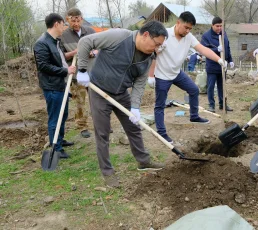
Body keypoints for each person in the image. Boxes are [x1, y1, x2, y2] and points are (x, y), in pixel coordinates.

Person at [76, 21, 168, 188]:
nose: (156, 49)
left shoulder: (148, 58)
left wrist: (135, 107)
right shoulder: (118, 37)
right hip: (99, 90)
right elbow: (85, 42)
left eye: (159, 46)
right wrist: (82, 69)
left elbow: (140, 84)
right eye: (156, 44)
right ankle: (108, 172)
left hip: (121, 94)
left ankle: (143, 161)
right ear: (146, 34)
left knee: (134, 128)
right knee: (102, 133)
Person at [147, 12, 227, 144]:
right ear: (178, 22)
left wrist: (219, 59)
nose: (188, 31)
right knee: (160, 105)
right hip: (162, 75)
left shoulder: (188, 37)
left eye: (190, 28)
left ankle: (194, 116)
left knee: (194, 90)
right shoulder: (164, 35)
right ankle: (161, 133)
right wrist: (151, 75)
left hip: (177, 73)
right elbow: (152, 55)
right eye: (186, 27)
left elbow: (203, 49)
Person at [34, 13, 76, 159]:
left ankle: (60, 140)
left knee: (62, 115)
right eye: (63, 24)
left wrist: (71, 55)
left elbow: (58, 58)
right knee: (55, 118)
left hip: (61, 85)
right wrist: (66, 70)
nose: (65, 27)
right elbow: (43, 66)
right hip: (52, 87)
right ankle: (56, 148)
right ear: (57, 24)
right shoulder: (42, 43)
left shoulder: (54, 41)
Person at [60, 8, 96, 138]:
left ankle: (100, 124)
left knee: (97, 101)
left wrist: (93, 52)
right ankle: (82, 126)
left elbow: (99, 48)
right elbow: (61, 56)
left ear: (81, 18)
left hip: (92, 73)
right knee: (80, 102)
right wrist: (75, 52)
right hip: (76, 76)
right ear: (67, 20)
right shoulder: (63, 35)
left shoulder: (90, 31)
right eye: (72, 21)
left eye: (78, 20)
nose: (75, 23)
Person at [201, 16, 234, 113]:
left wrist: (230, 59)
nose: (219, 28)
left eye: (221, 26)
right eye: (217, 26)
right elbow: (204, 50)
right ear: (212, 25)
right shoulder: (206, 36)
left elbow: (227, 48)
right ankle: (211, 105)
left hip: (223, 66)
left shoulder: (224, 34)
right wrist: (216, 49)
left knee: (222, 86)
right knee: (211, 87)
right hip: (212, 66)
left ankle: (222, 104)